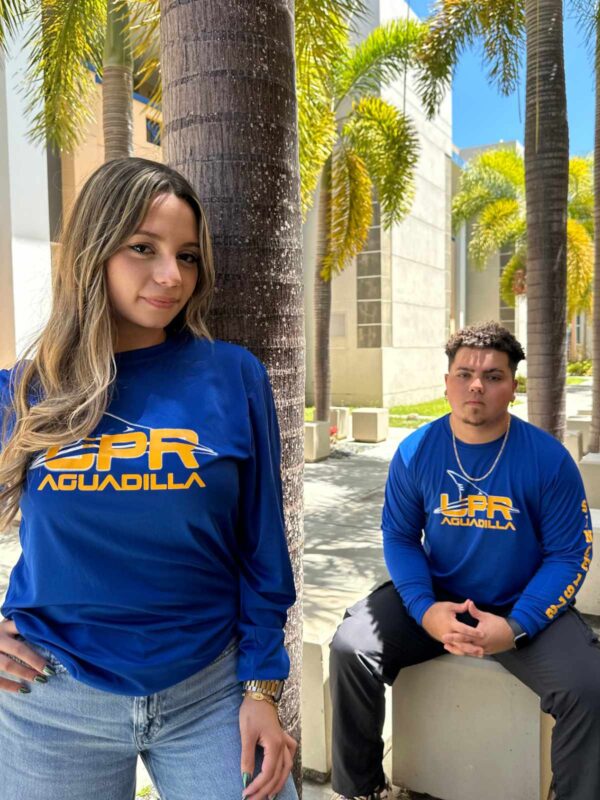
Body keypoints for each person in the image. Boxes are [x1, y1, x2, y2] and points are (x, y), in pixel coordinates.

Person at [0, 157, 298, 800]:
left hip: (209, 693)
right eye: (143, 248)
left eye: (187, 256)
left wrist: (263, 688)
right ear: (93, 252)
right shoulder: (24, 393)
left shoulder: (233, 375)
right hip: (50, 696)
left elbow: (262, 548)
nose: (171, 276)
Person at [330, 321, 599, 800]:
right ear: (447, 383)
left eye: (494, 376)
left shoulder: (548, 459)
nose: (477, 384)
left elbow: (569, 552)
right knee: (352, 647)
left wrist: (516, 626)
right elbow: (399, 536)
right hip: (439, 598)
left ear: (513, 389)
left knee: (589, 688)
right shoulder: (416, 452)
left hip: (522, 603)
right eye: (465, 374)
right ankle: (363, 789)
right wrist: (425, 609)